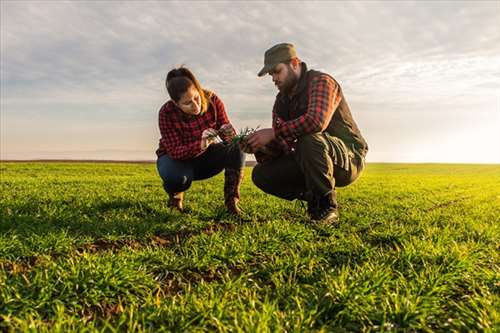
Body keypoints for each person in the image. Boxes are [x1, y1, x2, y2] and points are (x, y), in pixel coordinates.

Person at [241, 43, 368, 224]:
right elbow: (282, 147)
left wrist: (273, 133)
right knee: (261, 174)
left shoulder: (321, 82)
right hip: (309, 158)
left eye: (277, 71)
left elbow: (315, 122)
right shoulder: (280, 102)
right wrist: (261, 147)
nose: (274, 79)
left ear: (294, 63)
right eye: (271, 75)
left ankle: (327, 207)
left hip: (349, 158)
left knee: (309, 139)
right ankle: (313, 197)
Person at [156, 66, 245, 215]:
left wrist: (229, 133)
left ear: (198, 89)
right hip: (175, 159)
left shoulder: (213, 100)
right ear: (175, 103)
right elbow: (175, 151)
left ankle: (232, 203)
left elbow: (228, 137)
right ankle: (175, 199)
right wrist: (201, 144)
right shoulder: (166, 113)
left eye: (196, 98)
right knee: (177, 178)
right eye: (187, 103)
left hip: (205, 159)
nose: (196, 106)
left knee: (237, 148)